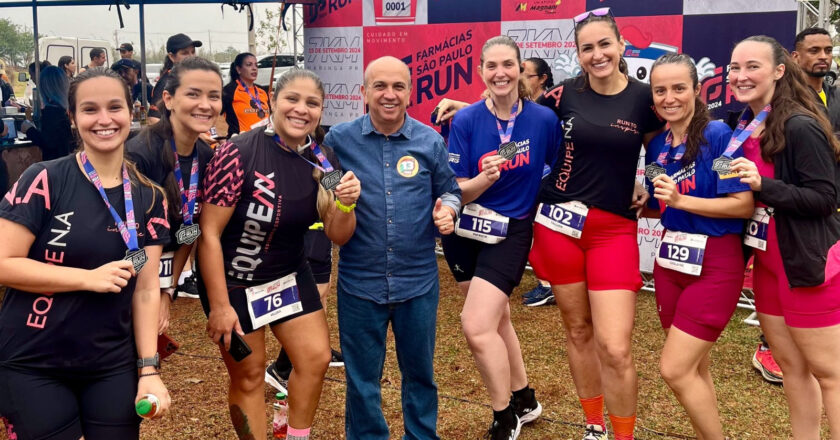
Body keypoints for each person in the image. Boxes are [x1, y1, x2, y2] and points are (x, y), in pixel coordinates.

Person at [0, 67, 171, 439]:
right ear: (73, 119)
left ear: (132, 112)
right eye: (90, 110)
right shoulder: (44, 179)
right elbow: (3, 263)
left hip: (111, 362)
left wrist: (148, 369)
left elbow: (144, 290)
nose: (105, 120)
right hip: (33, 362)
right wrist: (87, 279)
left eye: (115, 107)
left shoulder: (150, 198)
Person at [198, 68, 360, 440]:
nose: (301, 110)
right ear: (273, 101)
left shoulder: (324, 160)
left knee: (315, 358)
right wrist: (220, 306)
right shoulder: (237, 153)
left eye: (312, 103)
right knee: (250, 373)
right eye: (292, 99)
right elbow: (208, 232)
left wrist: (347, 205)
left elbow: (339, 234)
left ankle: (295, 436)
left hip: (288, 273)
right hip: (235, 280)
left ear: (321, 110)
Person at [527, 8, 664, 440]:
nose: (597, 54)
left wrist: (654, 182)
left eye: (605, 44)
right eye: (587, 48)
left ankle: (624, 435)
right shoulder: (564, 94)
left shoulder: (644, 98)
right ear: (578, 54)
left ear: (622, 46)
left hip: (612, 231)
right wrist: (468, 107)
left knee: (616, 345)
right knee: (579, 329)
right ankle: (594, 427)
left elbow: (666, 145)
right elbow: (517, 116)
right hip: (557, 226)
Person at [324, 56, 460, 440]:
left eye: (398, 86)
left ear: (410, 92)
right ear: (364, 93)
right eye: (380, 86)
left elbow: (449, 190)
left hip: (417, 282)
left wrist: (447, 210)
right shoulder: (338, 140)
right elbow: (323, 192)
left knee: (420, 375)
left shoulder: (429, 140)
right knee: (362, 381)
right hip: (359, 283)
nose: (389, 94)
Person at [440, 35, 558, 440]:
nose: (500, 73)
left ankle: (504, 414)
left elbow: (555, 169)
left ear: (520, 68)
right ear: (481, 72)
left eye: (508, 64)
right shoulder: (467, 119)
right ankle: (525, 397)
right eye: (491, 66)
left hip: (511, 229)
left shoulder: (543, 120)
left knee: (475, 325)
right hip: (466, 229)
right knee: (496, 317)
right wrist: (481, 179)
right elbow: (457, 189)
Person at [728, 35, 840, 439]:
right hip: (769, 267)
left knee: (831, 374)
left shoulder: (800, 124)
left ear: (778, 70)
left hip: (807, 265)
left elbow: (826, 198)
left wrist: (764, 186)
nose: (741, 76)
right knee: (791, 368)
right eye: (735, 68)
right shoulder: (747, 122)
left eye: (752, 66)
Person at [643, 53, 754, 438]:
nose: (669, 98)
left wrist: (680, 201)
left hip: (715, 265)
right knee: (695, 368)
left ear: (696, 90)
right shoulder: (657, 145)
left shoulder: (719, 137)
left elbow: (742, 203)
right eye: (660, 90)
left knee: (674, 369)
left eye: (678, 88)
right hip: (670, 263)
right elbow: (660, 199)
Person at [126, 57, 222, 335]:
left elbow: (189, 231)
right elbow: (131, 237)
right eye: (193, 94)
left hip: (161, 277)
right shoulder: (139, 155)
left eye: (213, 96)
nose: (205, 104)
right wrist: (149, 293)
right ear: (168, 99)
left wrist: (168, 290)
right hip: (126, 279)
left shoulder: (206, 156)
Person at [519, 56, 556, 307]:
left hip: (549, 180)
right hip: (529, 178)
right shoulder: (522, 106)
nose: (519, 77)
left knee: (544, 232)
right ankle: (546, 283)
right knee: (534, 231)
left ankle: (549, 285)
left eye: (525, 73)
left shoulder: (551, 107)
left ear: (542, 79)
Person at [20, 66, 74, 161]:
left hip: (55, 164)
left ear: (44, 87)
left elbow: (48, 142)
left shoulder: (51, 112)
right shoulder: (64, 108)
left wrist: (29, 129)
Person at [149, 33, 202, 121]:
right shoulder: (167, 81)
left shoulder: (193, 78)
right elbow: (154, 118)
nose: (191, 56)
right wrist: (178, 134)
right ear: (172, 56)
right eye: (185, 53)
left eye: (193, 52)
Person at [222, 52, 271, 135]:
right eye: (249, 65)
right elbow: (213, 115)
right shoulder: (229, 91)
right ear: (238, 69)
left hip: (265, 140)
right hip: (241, 142)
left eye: (256, 65)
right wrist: (219, 138)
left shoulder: (262, 91)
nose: (254, 68)